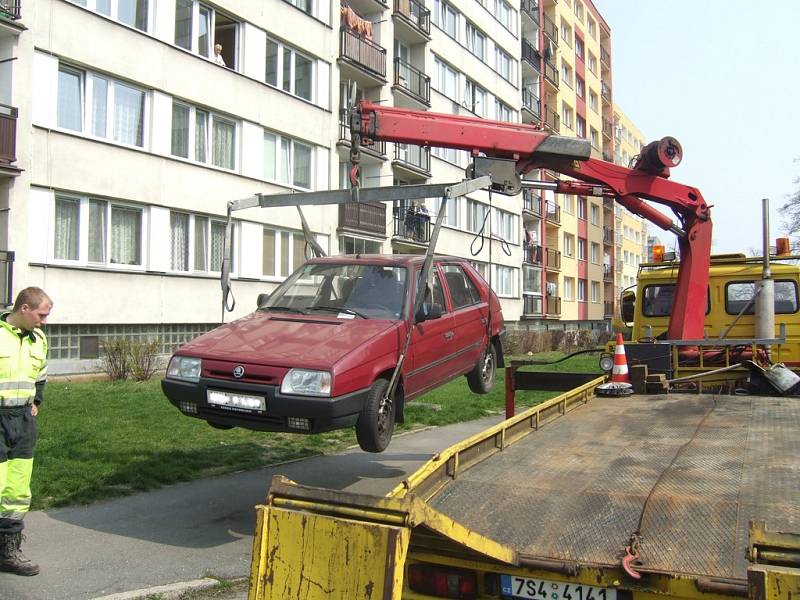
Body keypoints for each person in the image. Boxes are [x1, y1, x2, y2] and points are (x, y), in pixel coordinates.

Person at [0, 287, 51, 576]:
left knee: (17, 491)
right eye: (41, 314)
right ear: (24, 309)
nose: (44, 321)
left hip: (23, 422)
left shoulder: (39, 339)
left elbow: (40, 375)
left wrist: (37, 402)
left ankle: (9, 551)